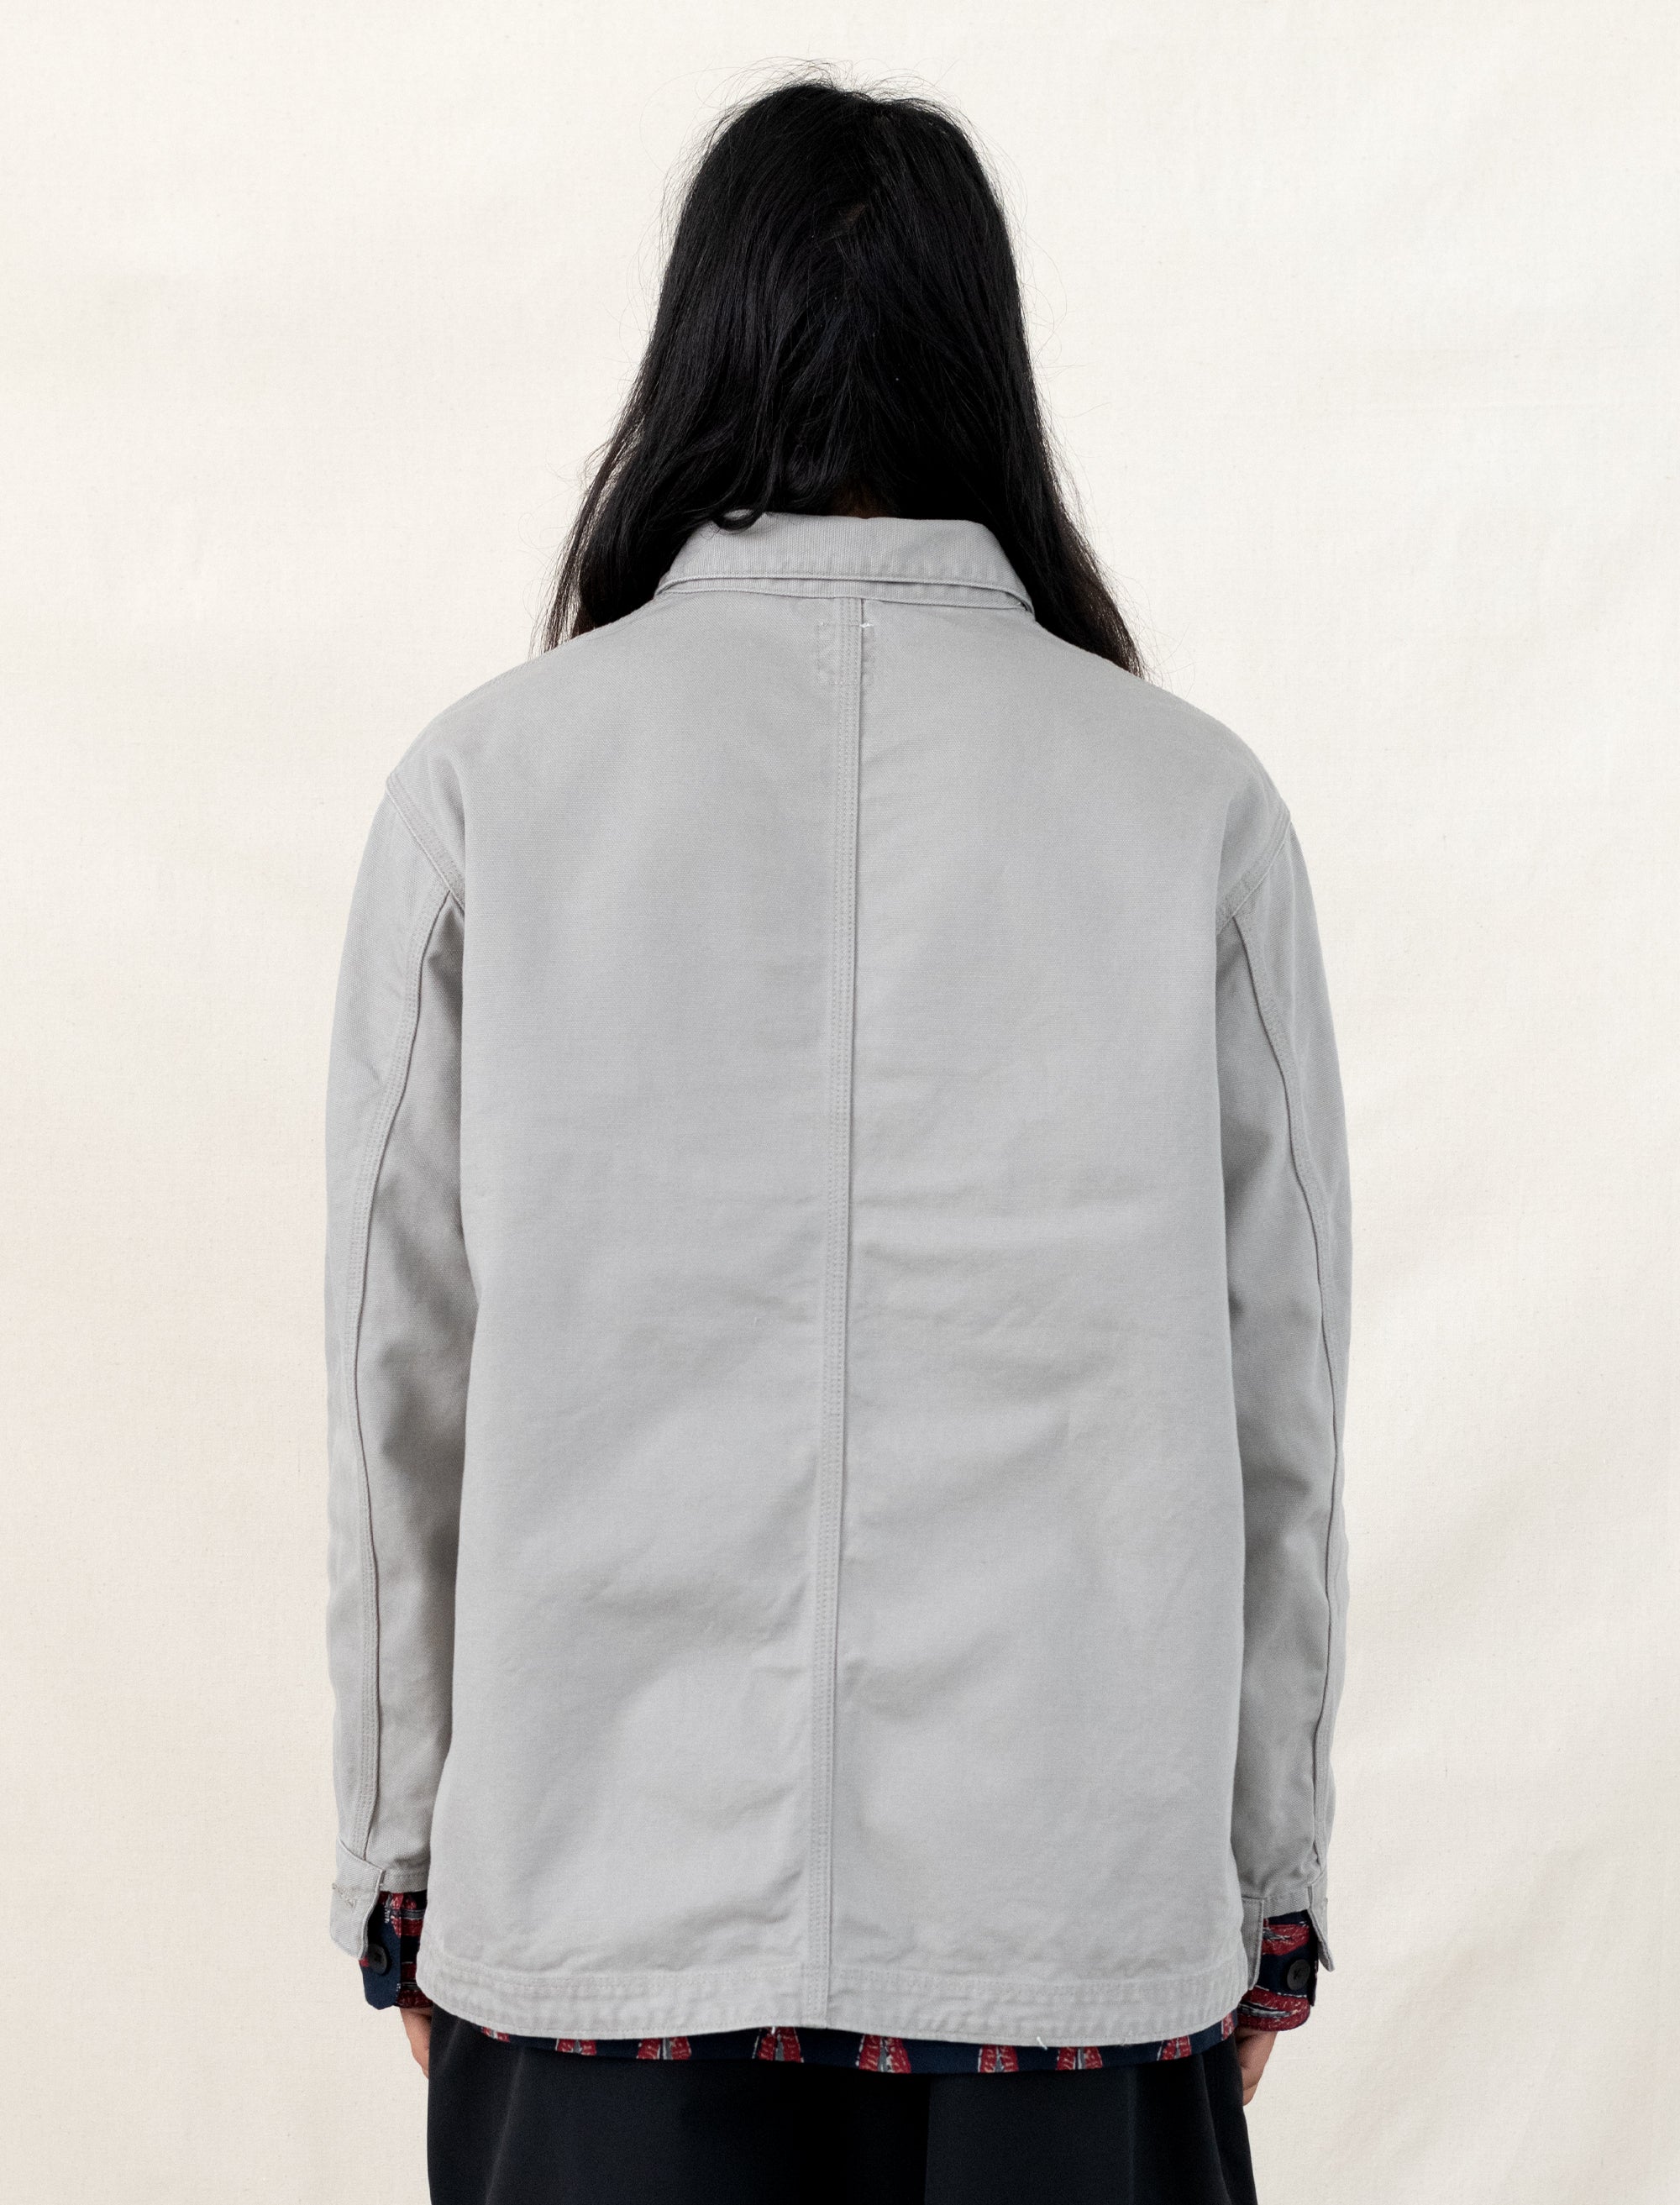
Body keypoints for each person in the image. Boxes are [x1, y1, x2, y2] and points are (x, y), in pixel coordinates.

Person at [323, 71, 1351, 2205]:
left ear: (695, 355)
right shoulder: (1186, 805)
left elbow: (392, 1374)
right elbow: (1284, 1398)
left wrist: (406, 1855)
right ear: (988, 367)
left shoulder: (489, 788)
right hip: (1065, 1936)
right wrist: (1265, 1876)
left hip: (599, 1921)